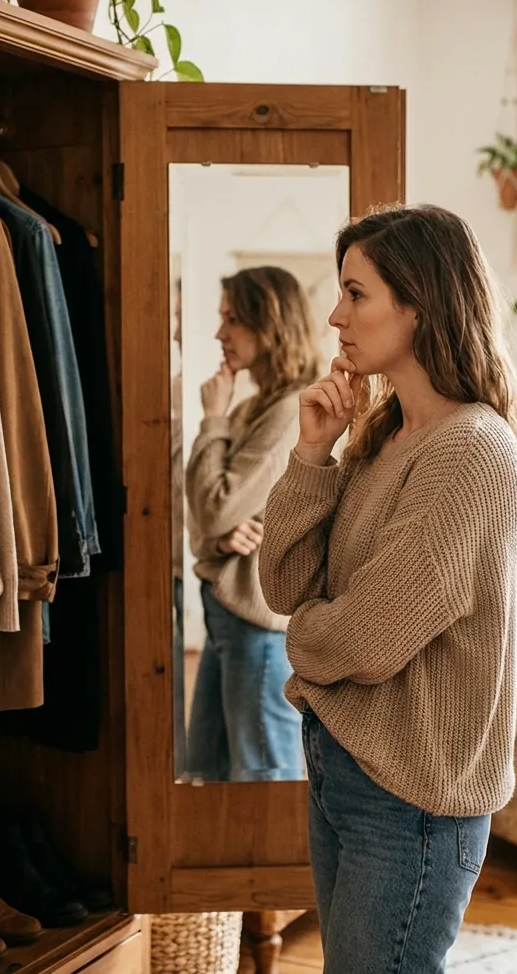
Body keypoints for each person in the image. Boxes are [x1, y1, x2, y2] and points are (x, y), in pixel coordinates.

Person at [259, 205, 517, 973]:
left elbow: (367, 642)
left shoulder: (471, 450)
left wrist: (303, 640)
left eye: (356, 293)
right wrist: (313, 453)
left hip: (411, 799)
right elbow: (283, 584)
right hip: (343, 764)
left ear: (419, 303)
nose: (335, 315)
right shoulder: (380, 436)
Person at [185, 266, 322, 782]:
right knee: (214, 767)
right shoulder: (249, 410)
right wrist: (217, 539)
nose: (220, 333)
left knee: (264, 773)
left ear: (272, 327)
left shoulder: (288, 411)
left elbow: (214, 505)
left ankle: (274, 869)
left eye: (234, 320)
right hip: (225, 608)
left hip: (258, 620)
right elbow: (201, 514)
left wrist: (211, 418)